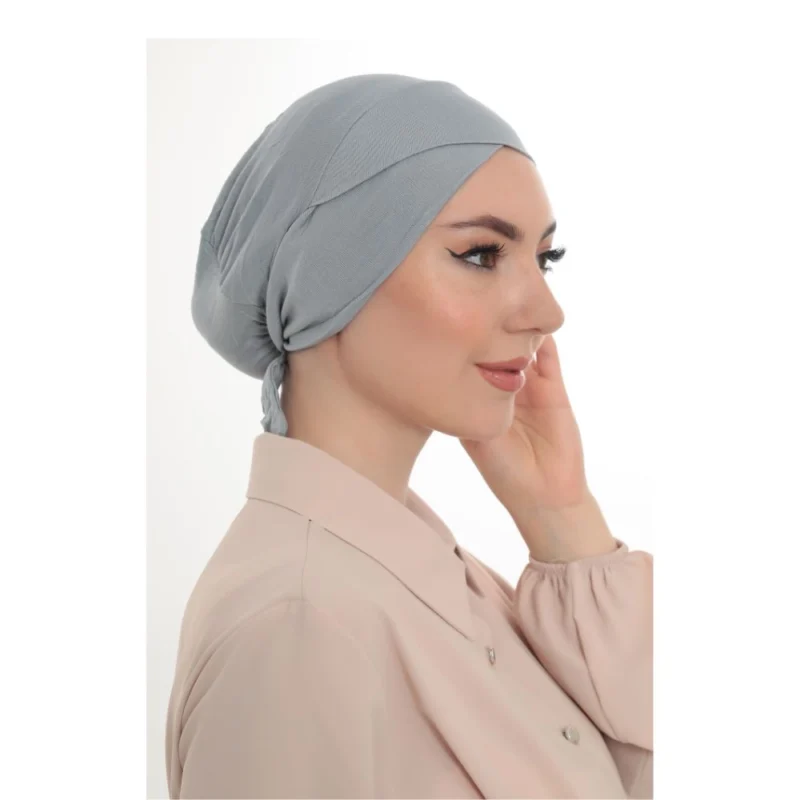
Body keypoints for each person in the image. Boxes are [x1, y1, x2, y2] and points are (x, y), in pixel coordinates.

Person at [165, 73, 653, 799]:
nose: (548, 312)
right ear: (330, 277)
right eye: (482, 254)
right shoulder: (297, 628)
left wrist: (561, 516)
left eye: (544, 259)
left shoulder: (429, 579)